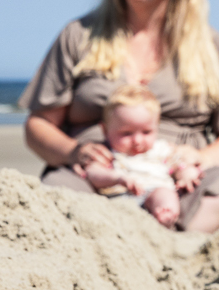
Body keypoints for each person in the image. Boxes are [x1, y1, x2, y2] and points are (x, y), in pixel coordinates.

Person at [20, 0, 219, 233]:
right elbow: (38, 125)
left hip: (177, 180)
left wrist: (203, 158)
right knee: (55, 195)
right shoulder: (79, 34)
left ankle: (175, 252)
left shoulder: (208, 44)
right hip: (99, 181)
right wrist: (74, 152)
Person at [80, 85, 190, 228]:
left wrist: (186, 173)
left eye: (146, 132)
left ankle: (166, 214)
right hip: (121, 199)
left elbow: (178, 164)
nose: (137, 141)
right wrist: (117, 178)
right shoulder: (107, 153)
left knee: (165, 194)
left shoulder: (161, 150)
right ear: (105, 130)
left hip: (155, 191)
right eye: (126, 133)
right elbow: (93, 173)